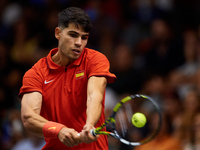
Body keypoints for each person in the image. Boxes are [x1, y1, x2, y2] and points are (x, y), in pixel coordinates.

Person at [19, 7, 116, 150]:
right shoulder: (36, 73)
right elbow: (29, 117)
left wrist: (89, 124)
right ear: (58, 33)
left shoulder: (95, 60)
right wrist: (58, 130)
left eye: (84, 37)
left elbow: (95, 95)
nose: (79, 43)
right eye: (73, 35)